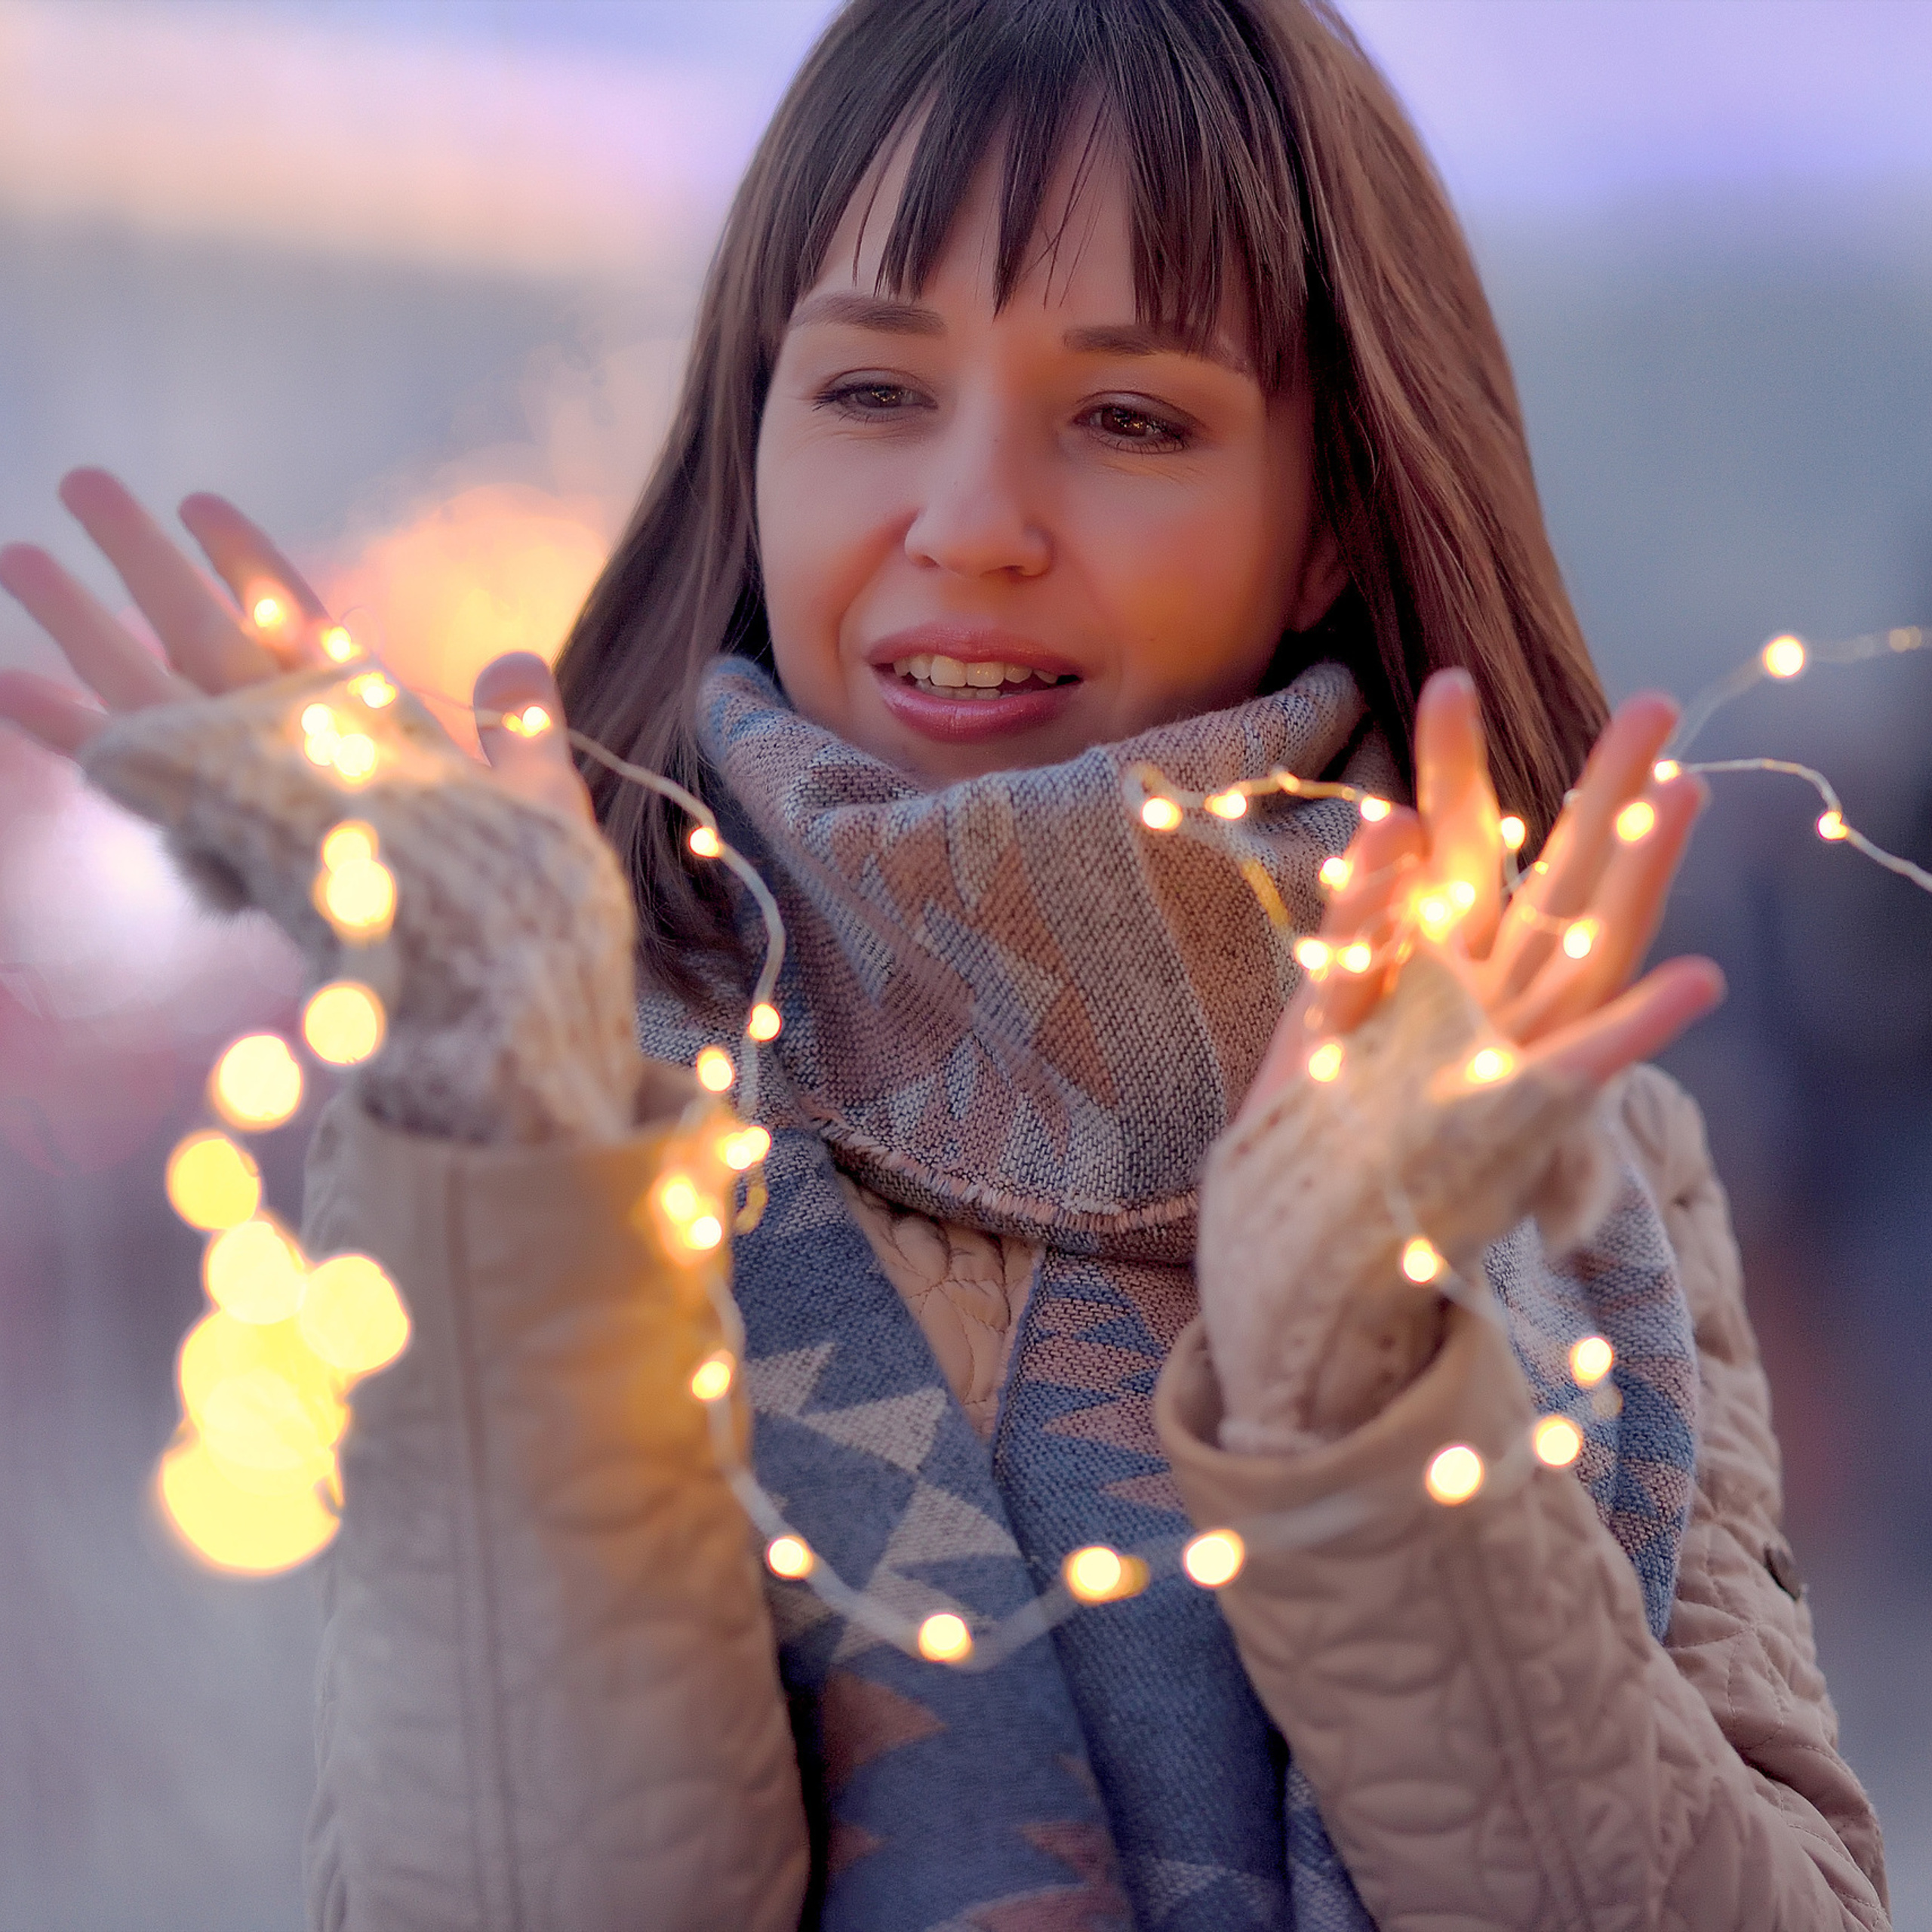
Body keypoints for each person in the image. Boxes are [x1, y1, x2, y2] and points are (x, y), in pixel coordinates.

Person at [0, 0, 1889, 1925]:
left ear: (1324, 517)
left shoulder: (1548, 1144)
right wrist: (513, 1136)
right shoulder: (559, 1106)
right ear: (754, 436)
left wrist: (1360, 1405)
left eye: (1128, 418)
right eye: (872, 393)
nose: (969, 523)